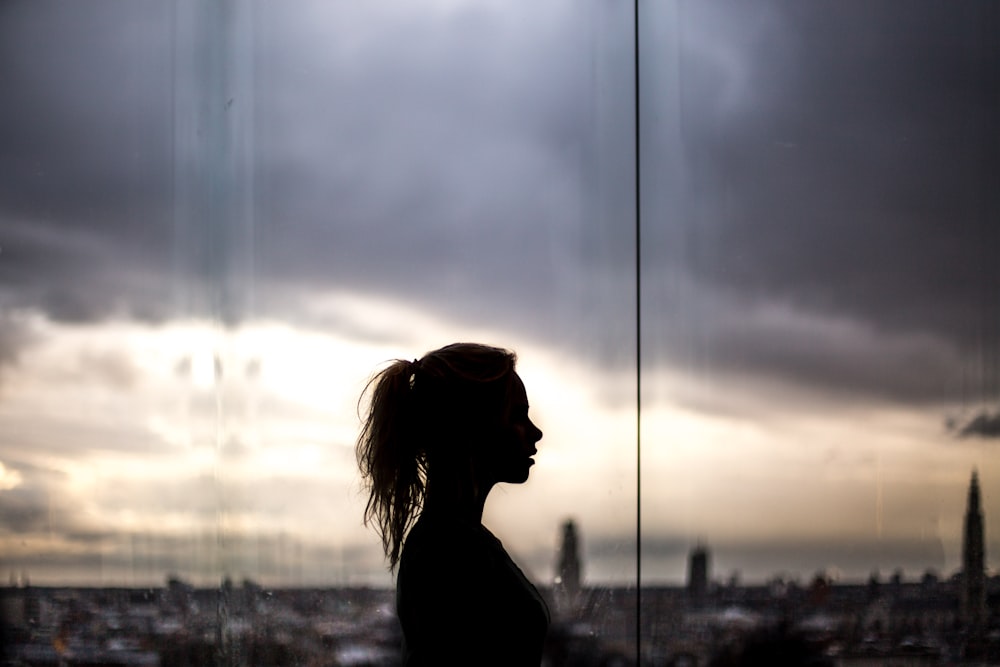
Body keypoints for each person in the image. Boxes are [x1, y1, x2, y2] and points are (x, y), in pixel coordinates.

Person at [356, 342, 549, 665]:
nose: (536, 432)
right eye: (517, 416)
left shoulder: (449, 542)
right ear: (473, 427)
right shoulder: (448, 550)